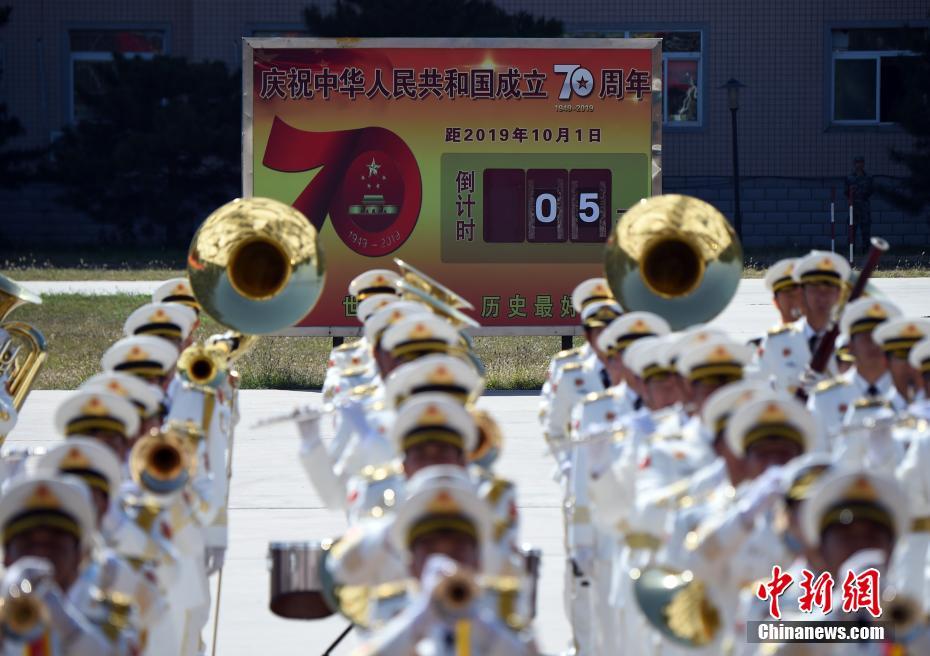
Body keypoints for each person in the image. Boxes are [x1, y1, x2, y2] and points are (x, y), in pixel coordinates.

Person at [0, 474, 113, 655]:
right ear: (6, 557)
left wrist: (69, 628)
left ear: (78, 556)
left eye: (55, 545)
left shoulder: (108, 615)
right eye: (27, 545)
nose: (41, 555)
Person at [807, 298, 904, 445]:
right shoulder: (825, 398)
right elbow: (816, 453)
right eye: (866, 338)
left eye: (880, 339)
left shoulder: (907, 394)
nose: (874, 345)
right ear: (851, 347)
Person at [758, 251, 850, 393]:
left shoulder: (849, 343)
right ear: (802, 292)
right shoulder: (777, 341)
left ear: (839, 294)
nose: (822, 296)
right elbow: (755, 388)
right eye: (814, 288)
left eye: (829, 289)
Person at [844, 155, 873, 253]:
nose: (859, 165)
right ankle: (851, 250)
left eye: (861, 162)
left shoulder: (868, 178)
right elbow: (846, 192)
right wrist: (851, 198)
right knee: (852, 229)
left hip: (864, 207)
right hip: (854, 207)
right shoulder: (849, 178)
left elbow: (870, 191)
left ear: (863, 164)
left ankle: (866, 249)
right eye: (857, 162)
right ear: (854, 164)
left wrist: (863, 196)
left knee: (865, 229)